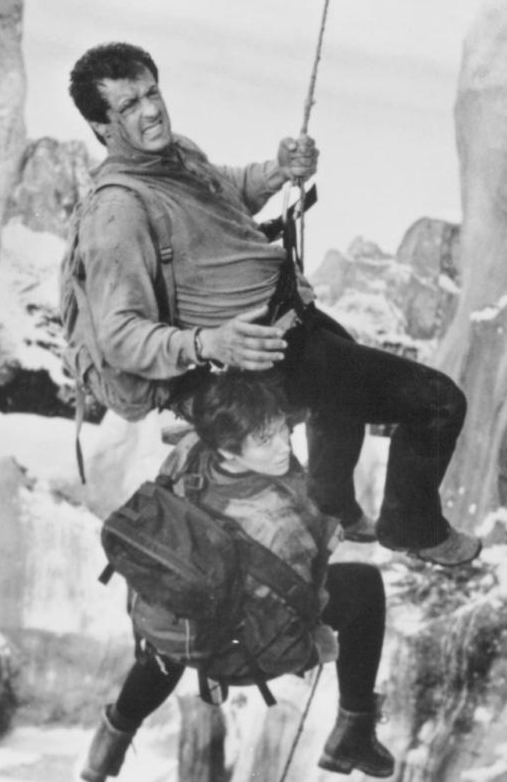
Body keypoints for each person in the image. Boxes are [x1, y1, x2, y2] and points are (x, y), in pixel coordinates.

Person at [68, 41, 480, 567]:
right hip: (257, 356)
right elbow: (120, 335)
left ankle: (332, 506)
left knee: (344, 389)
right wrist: (209, 343)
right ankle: (413, 528)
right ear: (102, 127)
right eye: (129, 105)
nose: (151, 110)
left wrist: (277, 170)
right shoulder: (118, 212)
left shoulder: (175, 157)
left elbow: (223, 193)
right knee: (438, 404)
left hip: (287, 321)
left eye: (152, 93)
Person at [81, 372, 394, 782]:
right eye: (265, 440)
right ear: (229, 450)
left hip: (169, 614)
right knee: (365, 586)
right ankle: (353, 729)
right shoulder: (278, 518)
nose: (284, 446)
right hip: (245, 648)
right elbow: (306, 592)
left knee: (174, 631)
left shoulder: (192, 450)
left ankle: (113, 735)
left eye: (282, 430)